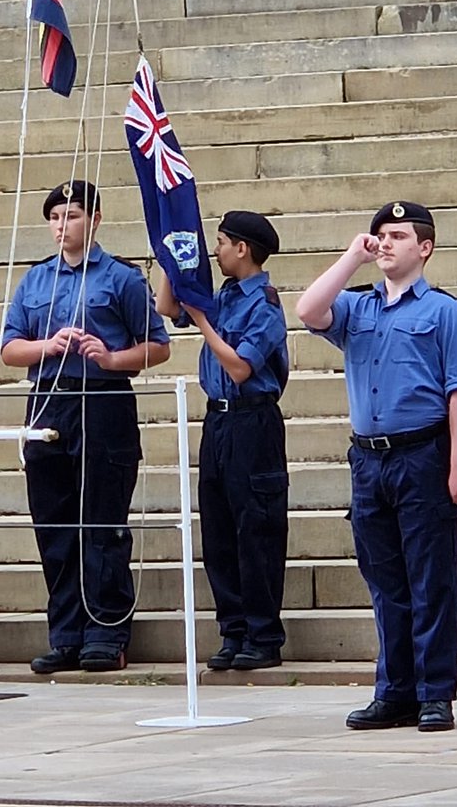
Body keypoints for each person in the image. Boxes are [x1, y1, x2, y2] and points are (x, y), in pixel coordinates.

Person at [296, 201, 457, 733]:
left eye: (398, 235)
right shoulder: (358, 306)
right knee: (385, 583)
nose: (386, 242)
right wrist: (351, 257)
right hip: (369, 460)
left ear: (425, 247)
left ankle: (434, 693)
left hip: (422, 455)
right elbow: (308, 310)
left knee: (431, 580)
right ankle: (394, 691)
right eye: (381, 234)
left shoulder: (443, 312)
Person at [1, 179, 170, 674]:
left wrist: (112, 357)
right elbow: (10, 349)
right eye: (54, 218)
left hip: (103, 399)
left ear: (94, 220)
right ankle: (66, 634)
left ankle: (106, 631)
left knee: (102, 522)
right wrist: (48, 346)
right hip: (48, 400)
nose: (62, 226)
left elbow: (157, 346)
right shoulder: (35, 280)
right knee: (53, 522)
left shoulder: (121, 278)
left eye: (72, 215)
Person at [156, 210, 289, 672]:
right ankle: (233, 630)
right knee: (218, 530)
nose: (215, 251)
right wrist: (171, 260)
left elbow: (240, 367)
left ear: (242, 249)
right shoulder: (226, 295)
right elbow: (166, 307)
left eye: (221, 242)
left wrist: (203, 322)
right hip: (219, 421)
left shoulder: (264, 303)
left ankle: (263, 634)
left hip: (253, 422)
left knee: (256, 529)